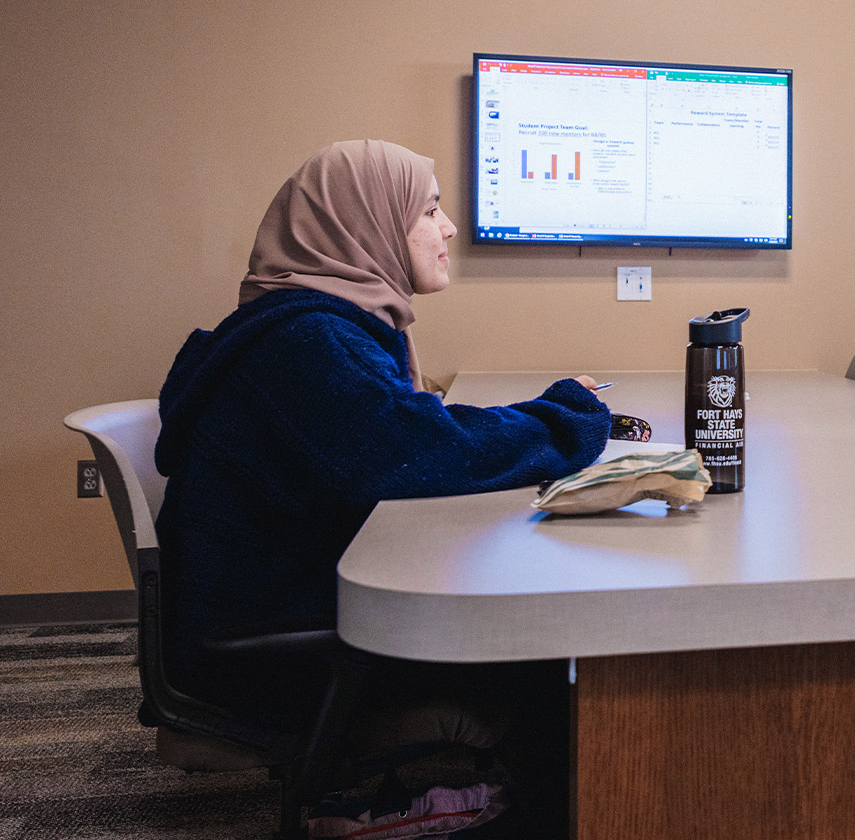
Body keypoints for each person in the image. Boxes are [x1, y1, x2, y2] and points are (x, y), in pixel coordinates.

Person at [153, 139, 610, 828]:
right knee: (557, 657)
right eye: (428, 209)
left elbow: (405, 434)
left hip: (286, 604)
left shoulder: (314, 327)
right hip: (274, 651)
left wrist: (533, 417)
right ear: (361, 222)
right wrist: (565, 420)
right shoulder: (306, 343)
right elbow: (416, 456)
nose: (448, 227)